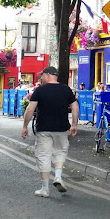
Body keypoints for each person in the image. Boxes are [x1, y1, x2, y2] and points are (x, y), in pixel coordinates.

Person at [22, 66, 78, 198]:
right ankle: (58, 176)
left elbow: (30, 110)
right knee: (60, 152)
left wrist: (25, 126)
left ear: (48, 75)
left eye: (42, 75)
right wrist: (74, 124)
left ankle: (45, 189)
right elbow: (75, 107)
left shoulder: (40, 90)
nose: (41, 78)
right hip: (62, 128)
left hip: (44, 129)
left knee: (43, 156)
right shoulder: (66, 89)